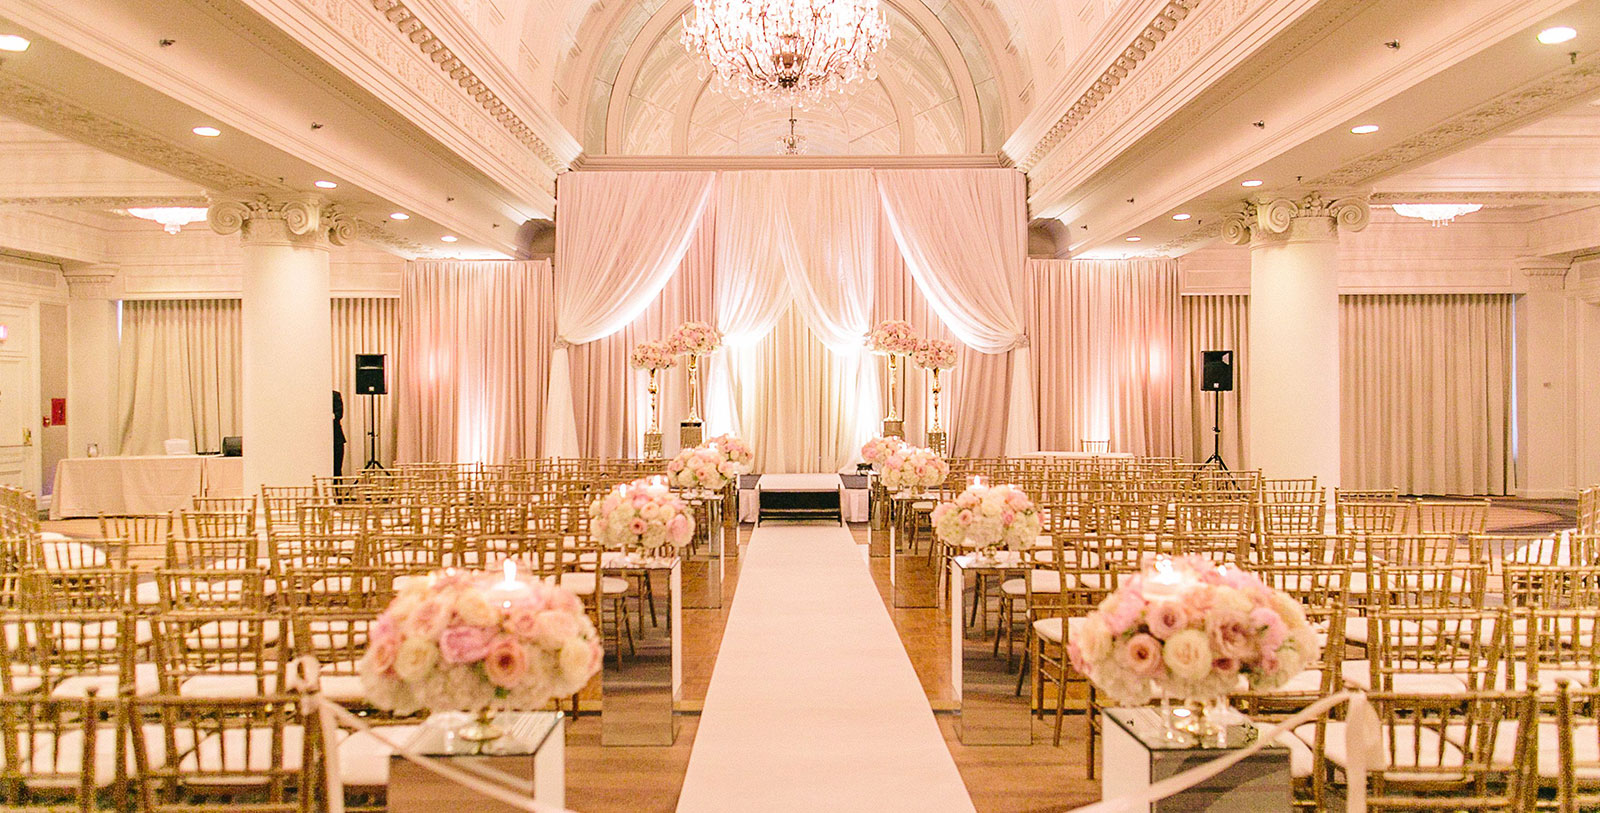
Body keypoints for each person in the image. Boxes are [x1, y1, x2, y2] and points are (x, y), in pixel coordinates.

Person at [333, 390, 346, 476]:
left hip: (336, 438)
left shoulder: (335, 395)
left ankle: (337, 489)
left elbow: (339, 414)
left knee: (337, 468)